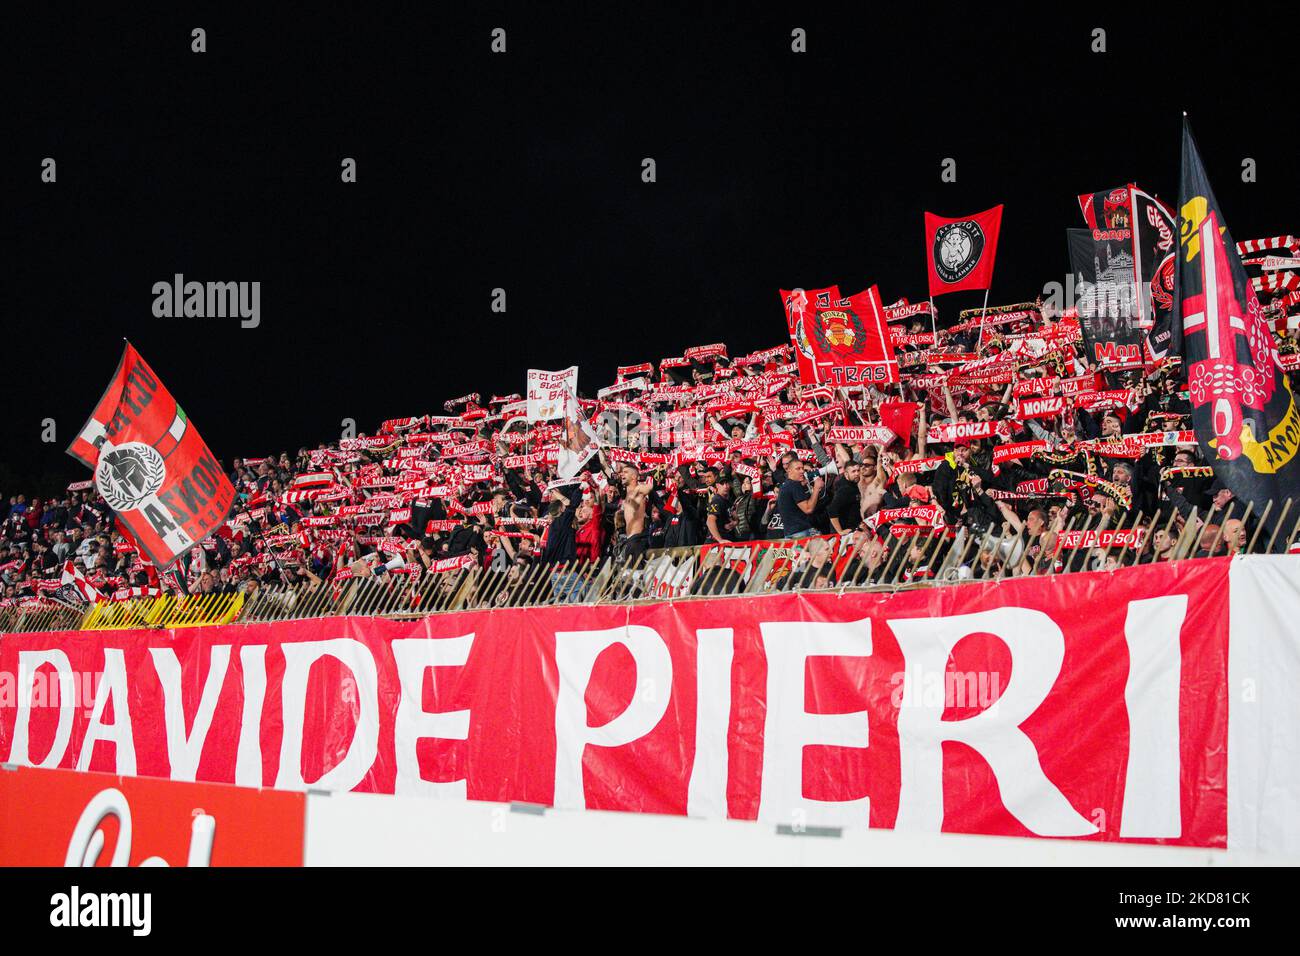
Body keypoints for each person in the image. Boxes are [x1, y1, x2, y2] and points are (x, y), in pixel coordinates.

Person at [776, 459, 823, 539]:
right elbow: (808, 509)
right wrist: (816, 488)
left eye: (803, 469)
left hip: (791, 533)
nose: (802, 471)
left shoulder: (786, 485)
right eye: (798, 469)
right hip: (801, 533)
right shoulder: (794, 485)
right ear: (789, 471)